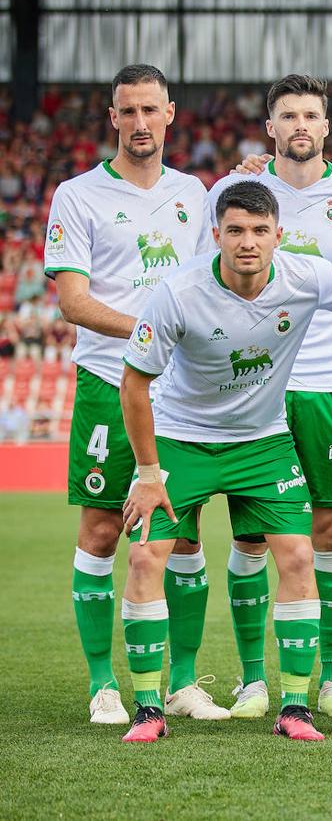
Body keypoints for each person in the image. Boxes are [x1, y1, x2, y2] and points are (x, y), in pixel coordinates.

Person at [119, 181, 332, 743]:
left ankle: (295, 707)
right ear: (216, 236)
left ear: (278, 235)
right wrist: (150, 475)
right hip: (184, 439)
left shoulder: (308, 276)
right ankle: (150, 706)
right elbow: (134, 384)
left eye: (258, 231)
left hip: (263, 440)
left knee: (300, 554)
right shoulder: (178, 292)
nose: (247, 242)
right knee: (143, 558)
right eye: (235, 231)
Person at [43, 64, 226, 725]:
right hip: (107, 381)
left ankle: (181, 681)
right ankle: (102, 684)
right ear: (112, 116)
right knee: (99, 531)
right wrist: (151, 329)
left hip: (180, 391)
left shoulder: (196, 193)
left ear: (170, 114)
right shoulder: (78, 195)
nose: (141, 123)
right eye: (129, 111)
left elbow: (216, 277)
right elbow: (72, 301)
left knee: (182, 532)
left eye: (152, 110)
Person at [212, 74, 332, 721]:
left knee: (330, 530)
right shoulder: (236, 194)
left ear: (325, 127)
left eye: (310, 115)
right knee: (254, 539)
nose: (299, 125)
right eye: (287, 114)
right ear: (270, 125)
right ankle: (251, 679)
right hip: (255, 387)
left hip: (327, 386)